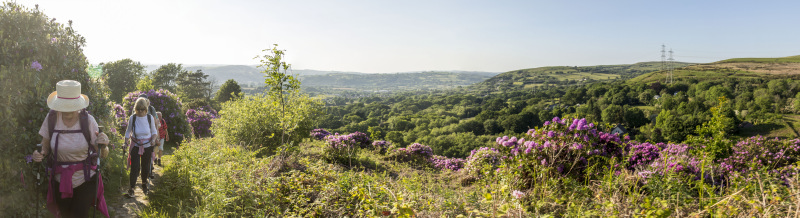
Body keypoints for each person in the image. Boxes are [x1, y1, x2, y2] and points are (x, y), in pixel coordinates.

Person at [31, 80, 110, 218]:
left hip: (85, 179)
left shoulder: (88, 121)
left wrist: (104, 145)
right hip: (59, 179)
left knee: (78, 215)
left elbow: (102, 154)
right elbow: (45, 145)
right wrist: (40, 153)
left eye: (71, 107)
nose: (67, 111)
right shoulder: (51, 119)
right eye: (63, 107)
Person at [124, 97, 158, 196]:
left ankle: (144, 183)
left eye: (142, 109)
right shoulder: (133, 118)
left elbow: (154, 132)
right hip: (135, 145)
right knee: (135, 167)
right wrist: (125, 142)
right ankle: (131, 188)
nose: (140, 111)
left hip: (147, 145)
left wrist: (153, 140)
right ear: (135, 108)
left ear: (146, 109)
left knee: (145, 166)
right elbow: (128, 131)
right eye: (138, 109)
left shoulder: (149, 118)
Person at [137, 94, 159, 179]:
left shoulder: (151, 109)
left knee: (149, 154)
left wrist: (156, 135)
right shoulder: (137, 107)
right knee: (138, 155)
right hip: (138, 137)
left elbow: (156, 121)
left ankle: (149, 172)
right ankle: (139, 171)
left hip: (149, 135)